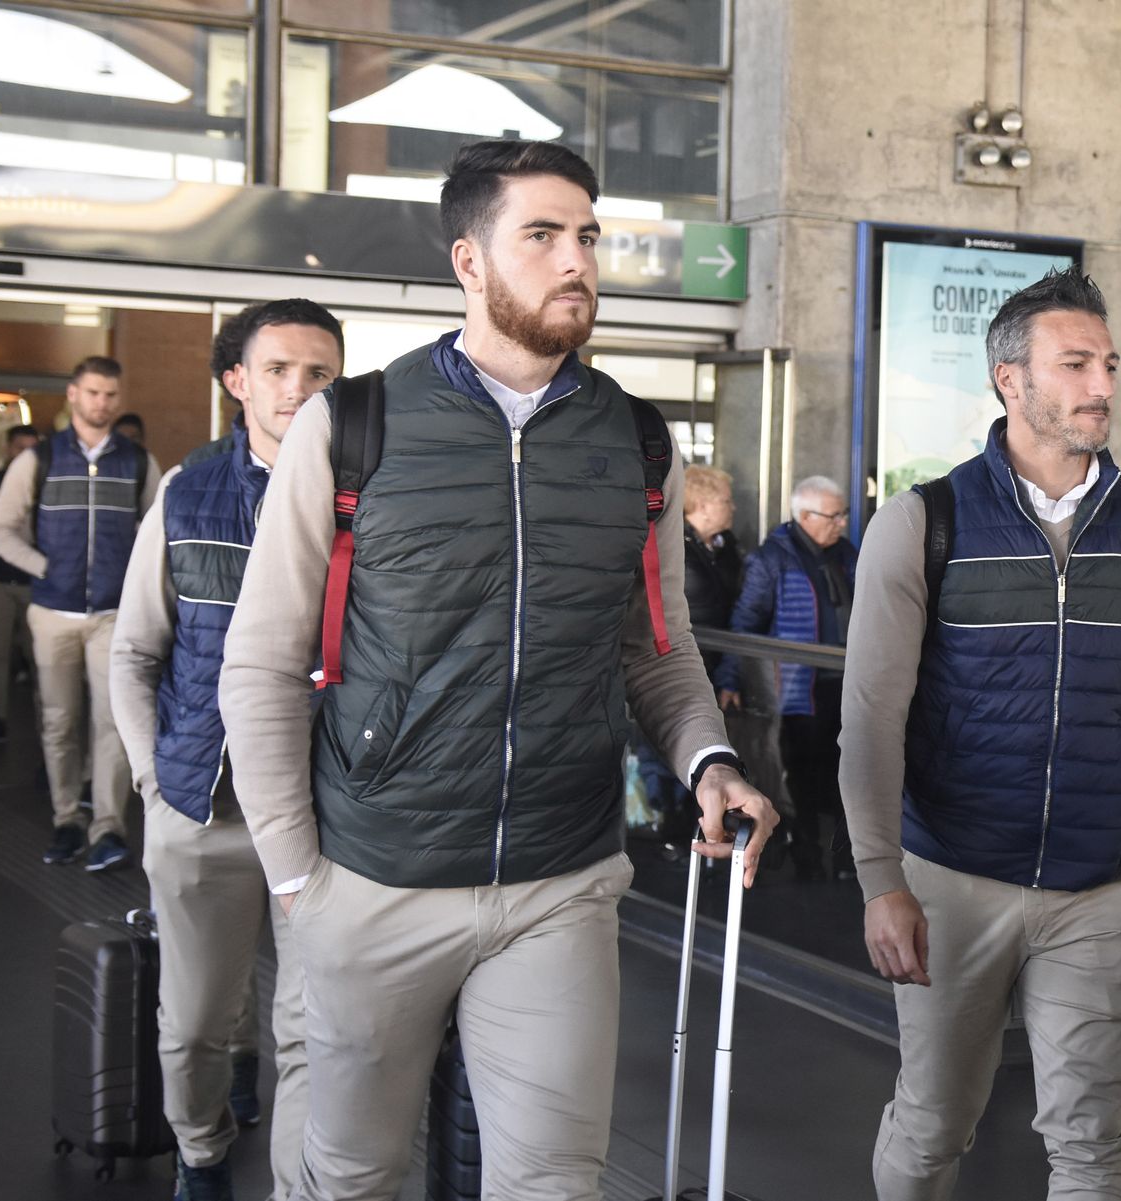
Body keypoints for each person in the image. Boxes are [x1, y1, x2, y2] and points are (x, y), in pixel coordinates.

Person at [216, 139, 777, 1201]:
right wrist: (297, 877)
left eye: (588, 238)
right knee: (348, 1176)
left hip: (559, 881)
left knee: (556, 1182)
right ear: (469, 261)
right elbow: (261, 662)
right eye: (543, 236)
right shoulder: (355, 426)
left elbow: (654, 648)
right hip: (375, 876)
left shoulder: (637, 443)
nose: (578, 261)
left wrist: (708, 760)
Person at [841, 267, 1121, 1200]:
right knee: (932, 1126)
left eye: (1109, 364)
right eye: (1074, 363)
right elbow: (872, 717)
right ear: (1011, 380)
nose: (1102, 386)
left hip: (1100, 889)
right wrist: (883, 879)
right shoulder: (925, 522)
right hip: (952, 880)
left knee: (1092, 1142)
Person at [110, 299, 344, 1200]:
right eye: (278, 369)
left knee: (313, 1028)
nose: (299, 388)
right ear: (235, 381)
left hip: (326, 815)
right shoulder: (185, 491)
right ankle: (202, 1155)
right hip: (200, 804)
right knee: (195, 1024)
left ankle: (294, 1183)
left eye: (320, 372)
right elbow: (134, 653)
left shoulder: (370, 500)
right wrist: (150, 778)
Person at [0, 356, 160, 870]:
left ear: (117, 398)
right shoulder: (38, 460)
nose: (101, 403)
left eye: (110, 394)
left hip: (112, 614)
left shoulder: (136, 461)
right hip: (52, 613)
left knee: (112, 722)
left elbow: (154, 533)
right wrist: (45, 568)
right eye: (92, 393)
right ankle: (67, 819)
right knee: (59, 721)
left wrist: (135, 584)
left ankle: (108, 828)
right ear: (72, 395)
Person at [718, 474, 857, 880]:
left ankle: (847, 862)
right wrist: (730, 677)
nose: (842, 523)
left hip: (846, 685)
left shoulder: (845, 553)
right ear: (805, 516)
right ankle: (809, 860)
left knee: (846, 775)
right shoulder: (771, 559)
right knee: (802, 775)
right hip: (798, 690)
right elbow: (746, 623)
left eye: (843, 514)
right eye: (834, 516)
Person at [637, 463, 745, 847]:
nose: (733, 507)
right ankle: (668, 825)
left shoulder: (725, 547)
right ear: (700, 505)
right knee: (662, 746)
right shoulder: (672, 546)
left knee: (705, 741)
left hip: (715, 662)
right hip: (673, 658)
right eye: (725, 501)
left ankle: (694, 823)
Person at [0, 423, 40, 743]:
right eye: (20, 448)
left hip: (36, 582)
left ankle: (45, 724)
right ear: (8, 449)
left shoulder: (47, 485)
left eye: (31, 449)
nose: (25, 455)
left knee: (40, 659)